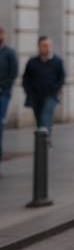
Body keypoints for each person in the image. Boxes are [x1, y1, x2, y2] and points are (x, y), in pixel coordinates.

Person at [22, 36, 65, 135]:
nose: (48, 48)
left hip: (51, 95)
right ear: (39, 47)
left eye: (49, 45)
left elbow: (61, 78)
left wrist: (56, 89)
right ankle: (43, 142)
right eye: (45, 45)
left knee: (45, 117)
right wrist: (28, 91)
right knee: (39, 120)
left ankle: (45, 140)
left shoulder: (57, 61)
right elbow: (26, 78)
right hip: (36, 96)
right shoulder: (32, 62)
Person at [0, 27, 16, 163]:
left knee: (0, 121)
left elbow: (13, 72)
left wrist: (3, 87)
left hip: (3, 93)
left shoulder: (9, 53)